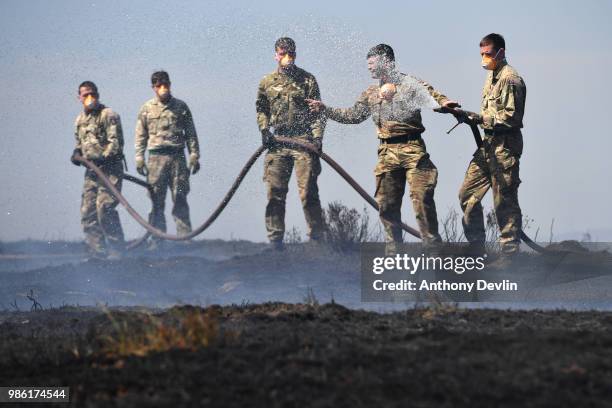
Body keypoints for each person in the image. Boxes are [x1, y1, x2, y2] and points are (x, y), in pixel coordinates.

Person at [306, 44, 458, 252]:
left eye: (372, 63)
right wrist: (326, 109)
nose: (369, 68)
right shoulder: (372, 92)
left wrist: (445, 105)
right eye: (368, 64)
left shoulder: (410, 84)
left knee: (422, 201)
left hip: (413, 150)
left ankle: (434, 253)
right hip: (386, 154)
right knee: (386, 207)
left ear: (387, 62)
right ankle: (394, 256)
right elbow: (353, 115)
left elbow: (434, 98)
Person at [453, 33, 526, 258]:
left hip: (505, 148)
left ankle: (510, 258)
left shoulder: (510, 79)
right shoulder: (492, 76)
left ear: (500, 53)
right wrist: (463, 115)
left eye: (487, 54)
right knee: (467, 195)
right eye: (481, 54)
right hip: (488, 146)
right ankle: (477, 249)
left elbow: (512, 118)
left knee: (504, 203)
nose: (484, 59)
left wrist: (479, 119)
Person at [256, 37, 327, 250]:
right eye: (282, 53)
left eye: (291, 54)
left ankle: (316, 240)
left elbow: (318, 113)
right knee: (275, 193)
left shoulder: (307, 80)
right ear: (276, 55)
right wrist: (264, 129)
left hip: (304, 140)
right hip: (277, 141)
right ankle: (275, 241)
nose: (287, 57)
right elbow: (261, 109)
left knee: (308, 192)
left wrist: (317, 138)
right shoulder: (266, 81)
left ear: (295, 54)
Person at [135, 71, 201, 248]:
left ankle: (184, 240)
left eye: (165, 84)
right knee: (156, 201)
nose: (163, 88)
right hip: (155, 159)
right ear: (153, 87)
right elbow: (140, 135)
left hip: (177, 158)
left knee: (180, 198)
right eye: (158, 85)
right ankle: (157, 240)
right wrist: (139, 157)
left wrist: (194, 155)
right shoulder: (146, 108)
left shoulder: (181, 106)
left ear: (170, 84)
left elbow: (191, 133)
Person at [71, 81, 125, 260]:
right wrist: (77, 152)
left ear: (98, 94)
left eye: (92, 94)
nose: (89, 98)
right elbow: (79, 143)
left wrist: (104, 156)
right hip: (92, 172)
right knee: (88, 213)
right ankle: (98, 254)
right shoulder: (79, 120)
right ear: (79, 98)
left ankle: (118, 252)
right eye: (85, 95)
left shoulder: (108, 115)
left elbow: (115, 142)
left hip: (110, 170)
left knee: (104, 208)